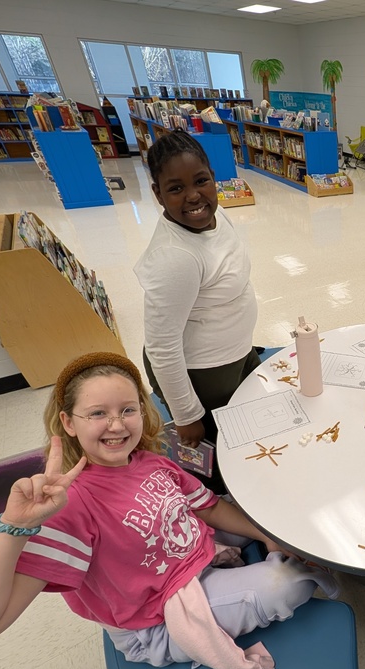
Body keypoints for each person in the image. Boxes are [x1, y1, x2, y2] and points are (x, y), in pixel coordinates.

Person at [0, 352, 337, 669]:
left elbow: (207, 507)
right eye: (97, 413)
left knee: (263, 509)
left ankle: (259, 550)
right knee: (288, 583)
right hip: (155, 620)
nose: (116, 425)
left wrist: (269, 537)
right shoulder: (69, 509)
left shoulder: (150, 462)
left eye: (127, 409)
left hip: (193, 557)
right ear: (68, 422)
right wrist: (14, 527)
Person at [134, 129, 258, 494]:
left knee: (248, 432)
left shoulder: (214, 218)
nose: (193, 196)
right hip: (202, 371)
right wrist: (188, 415)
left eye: (201, 181)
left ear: (213, 178)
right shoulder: (175, 258)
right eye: (175, 188)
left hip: (235, 353)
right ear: (158, 193)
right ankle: (224, 506)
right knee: (220, 455)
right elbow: (162, 347)